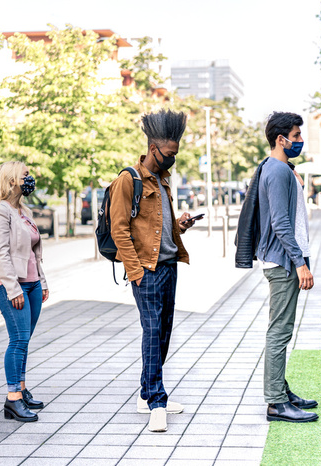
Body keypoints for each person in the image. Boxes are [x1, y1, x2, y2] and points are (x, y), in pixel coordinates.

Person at [109, 109, 196, 432]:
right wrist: (136, 272)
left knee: (164, 332)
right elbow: (120, 230)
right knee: (153, 332)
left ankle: (147, 393)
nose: (173, 159)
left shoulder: (162, 181)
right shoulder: (127, 180)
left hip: (170, 267)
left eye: (176, 154)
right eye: (169, 154)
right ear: (153, 148)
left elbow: (157, 227)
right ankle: (157, 402)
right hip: (146, 270)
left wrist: (180, 226)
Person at [254, 111, 318, 423]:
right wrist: (300, 263)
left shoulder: (281, 169)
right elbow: (280, 223)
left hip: (282, 260)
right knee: (279, 331)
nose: (300, 141)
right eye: (296, 136)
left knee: (282, 329)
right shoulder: (277, 172)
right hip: (282, 263)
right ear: (281, 139)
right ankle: (276, 402)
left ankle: (281, 390)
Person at [0, 161, 50, 422]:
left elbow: (34, 253)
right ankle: (12, 400)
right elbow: (0, 254)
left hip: (31, 283)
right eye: (26, 175)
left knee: (25, 340)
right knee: (18, 340)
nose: (30, 179)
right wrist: (12, 288)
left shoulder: (24, 210)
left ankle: (21, 389)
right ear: (12, 181)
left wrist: (41, 282)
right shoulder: (0, 212)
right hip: (10, 285)